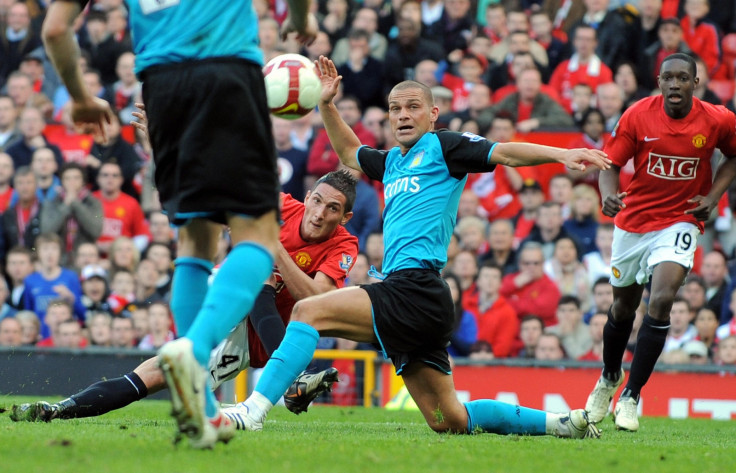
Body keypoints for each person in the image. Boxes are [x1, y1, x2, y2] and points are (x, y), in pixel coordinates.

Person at [222, 56, 611, 439]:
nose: (402, 115)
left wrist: (561, 154)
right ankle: (560, 424)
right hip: (419, 303)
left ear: (433, 114)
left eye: (412, 107)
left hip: (413, 288)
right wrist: (326, 104)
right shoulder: (392, 162)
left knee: (307, 310)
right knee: (450, 419)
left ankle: (253, 411)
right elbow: (349, 153)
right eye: (395, 108)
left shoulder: (445, 147)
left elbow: (504, 152)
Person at [42, 0, 318, 450]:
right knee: (260, 236)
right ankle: (191, 349)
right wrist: (302, 20)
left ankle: (206, 412)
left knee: (196, 240)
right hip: (229, 71)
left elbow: (55, 30)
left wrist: (79, 97)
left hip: (162, 89)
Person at [11, 171, 359, 435]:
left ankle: (56, 411)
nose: (319, 213)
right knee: (258, 276)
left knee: (157, 374)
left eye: (332, 209)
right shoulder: (281, 206)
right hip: (224, 295)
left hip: (254, 344)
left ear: (343, 218)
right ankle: (58, 410)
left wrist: (276, 248)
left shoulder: (344, 245)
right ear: (308, 196)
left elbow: (315, 300)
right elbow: (215, 210)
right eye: (317, 201)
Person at [583, 53, 736, 433]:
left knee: (663, 298)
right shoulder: (638, 114)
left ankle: (632, 395)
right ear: (659, 81)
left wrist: (714, 196)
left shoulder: (718, 119)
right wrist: (607, 194)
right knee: (622, 309)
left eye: (682, 78)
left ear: (695, 83)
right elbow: (610, 163)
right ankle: (609, 377)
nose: (674, 85)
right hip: (634, 222)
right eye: (667, 78)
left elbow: (734, 156)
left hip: (681, 220)